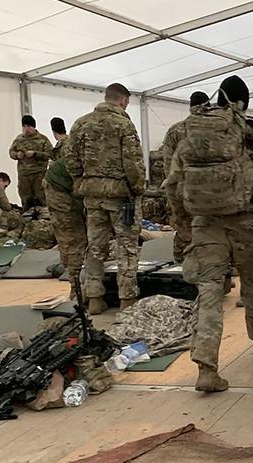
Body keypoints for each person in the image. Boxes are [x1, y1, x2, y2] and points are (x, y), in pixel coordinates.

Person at [171, 75, 253, 392]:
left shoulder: (190, 130)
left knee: (210, 292)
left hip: (205, 222)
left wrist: (182, 223)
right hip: (248, 222)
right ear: (243, 102)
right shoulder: (251, 131)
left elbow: (173, 182)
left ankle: (206, 367)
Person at [65, 82, 145, 315]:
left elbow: (70, 159)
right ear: (123, 101)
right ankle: (127, 299)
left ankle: (95, 297)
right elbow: (133, 163)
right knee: (127, 247)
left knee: (96, 248)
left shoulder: (80, 123)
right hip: (121, 197)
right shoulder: (123, 124)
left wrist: (83, 181)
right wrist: (137, 188)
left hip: (92, 195)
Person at [161, 91, 210, 263]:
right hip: (209, 192)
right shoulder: (215, 128)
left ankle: (181, 269)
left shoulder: (174, 131)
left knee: (183, 229)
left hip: (181, 190)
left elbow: (167, 165)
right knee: (210, 231)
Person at [44, 117, 87, 288]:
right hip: (59, 189)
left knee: (78, 234)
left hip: (65, 186)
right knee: (74, 237)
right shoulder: (79, 149)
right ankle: (75, 287)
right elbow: (79, 188)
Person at [9, 115, 53, 208]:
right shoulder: (19, 139)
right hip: (24, 175)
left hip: (39, 174)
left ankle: (43, 220)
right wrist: (17, 155)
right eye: (24, 126)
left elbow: (50, 154)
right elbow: (11, 152)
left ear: (33, 127)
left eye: (29, 126)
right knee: (26, 199)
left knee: (41, 198)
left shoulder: (42, 139)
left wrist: (35, 154)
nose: (26, 129)